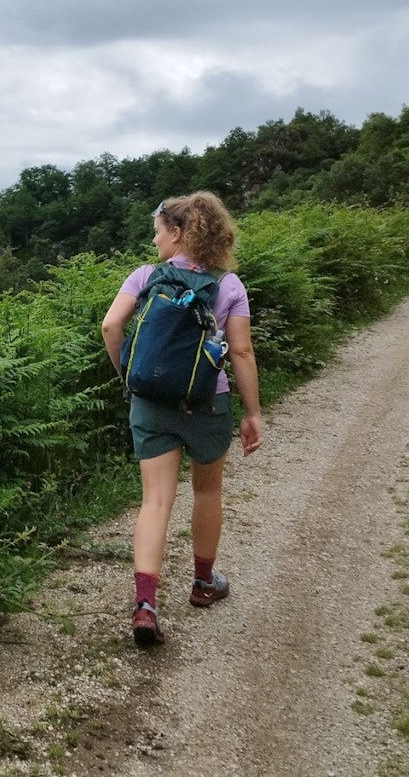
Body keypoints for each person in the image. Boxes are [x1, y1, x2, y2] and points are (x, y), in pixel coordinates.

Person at [100, 192, 264, 647]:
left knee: (155, 501)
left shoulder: (145, 276)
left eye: (157, 231)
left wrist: (130, 377)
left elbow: (111, 327)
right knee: (208, 490)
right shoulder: (229, 285)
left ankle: (146, 605)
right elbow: (243, 351)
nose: (154, 240)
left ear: (177, 233)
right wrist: (253, 413)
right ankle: (203, 584)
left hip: (150, 401)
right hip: (208, 402)